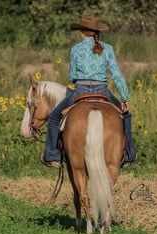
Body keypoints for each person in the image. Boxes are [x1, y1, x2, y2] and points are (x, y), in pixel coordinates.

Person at [40, 16, 136, 169]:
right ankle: (130, 154)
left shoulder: (76, 49)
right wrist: (124, 97)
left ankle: (52, 155)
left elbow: (71, 76)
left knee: (53, 117)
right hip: (102, 90)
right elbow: (117, 75)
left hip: (80, 91)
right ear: (97, 32)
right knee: (126, 116)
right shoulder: (108, 49)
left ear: (82, 33)